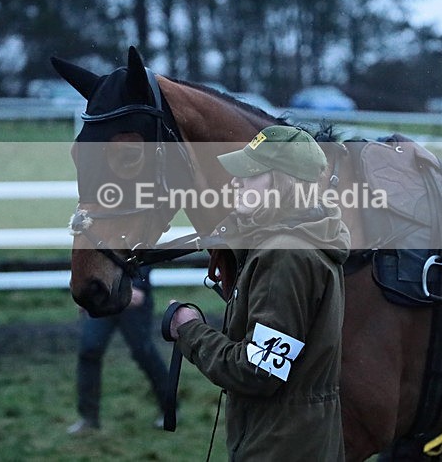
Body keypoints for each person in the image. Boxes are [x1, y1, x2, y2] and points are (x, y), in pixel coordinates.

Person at [168, 126, 351, 460]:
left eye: (250, 176)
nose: (236, 184)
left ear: (284, 184)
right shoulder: (309, 241)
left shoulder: (284, 255)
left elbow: (259, 371)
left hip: (279, 446)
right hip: (303, 439)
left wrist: (188, 329)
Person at [67, 265, 169, 433]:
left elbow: (142, 249)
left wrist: (138, 285)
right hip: (101, 298)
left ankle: (169, 409)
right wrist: (84, 291)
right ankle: (88, 419)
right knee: (89, 350)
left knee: (143, 353)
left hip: (130, 297)